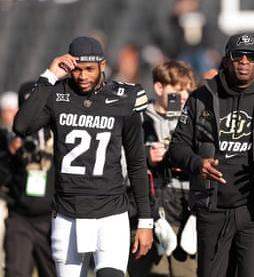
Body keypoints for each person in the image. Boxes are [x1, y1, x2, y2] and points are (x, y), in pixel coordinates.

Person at [12, 36, 154, 277]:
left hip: (111, 213)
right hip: (68, 213)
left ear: (102, 65)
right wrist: (48, 77)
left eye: (90, 69)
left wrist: (145, 221)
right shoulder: (58, 94)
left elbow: (137, 163)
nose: (83, 76)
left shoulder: (122, 99)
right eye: (77, 69)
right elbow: (21, 126)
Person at [168, 33, 254, 277]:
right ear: (226, 60)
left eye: (250, 56)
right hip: (213, 206)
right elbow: (177, 146)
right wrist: (197, 163)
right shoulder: (201, 98)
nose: (244, 61)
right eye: (237, 56)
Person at [127, 60, 197, 277]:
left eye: (188, 90)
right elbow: (121, 162)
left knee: (185, 272)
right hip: (146, 210)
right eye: (177, 90)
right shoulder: (139, 118)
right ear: (159, 88)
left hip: (184, 212)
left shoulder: (194, 120)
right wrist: (147, 157)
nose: (184, 96)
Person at [1, 82, 57, 277]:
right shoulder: (10, 136)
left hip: (51, 218)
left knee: (53, 272)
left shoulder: (58, 133)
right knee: (16, 272)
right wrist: (10, 153)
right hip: (20, 217)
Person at [0, 91, 19, 274]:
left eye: (11, 111)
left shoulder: (31, 134)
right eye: (5, 111)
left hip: (21, 198)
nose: (8, 116)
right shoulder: (2, 136)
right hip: (3, 196)